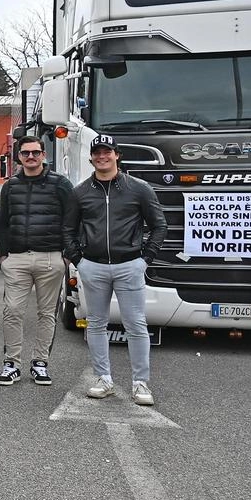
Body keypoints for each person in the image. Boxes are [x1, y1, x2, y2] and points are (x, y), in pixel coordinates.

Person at [64, 134, 166, 405]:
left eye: (107, 152)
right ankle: (103, 379)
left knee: (136, 324)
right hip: (93, 266)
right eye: (97, 152)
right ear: (91, 157)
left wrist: (145, 259)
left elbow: (159, 225)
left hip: (129, 265)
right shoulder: (80, 191)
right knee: (96, 324)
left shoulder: (139, 188)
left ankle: (140, 384)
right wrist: (78, 261)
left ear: (116, 155)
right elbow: (68, 229)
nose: (102, 157)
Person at [0, 136, 73, 386]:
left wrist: (66, 254)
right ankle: (12, 364)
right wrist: (3, 255)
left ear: (43, 155)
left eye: (35, 153)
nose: (31, 157)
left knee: (46, 314)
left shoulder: (60, 184)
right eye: (26, 153)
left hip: (50, 258)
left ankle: (40, 363)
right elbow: (3, 222)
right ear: (18, 156)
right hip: (17, 258)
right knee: (12, 311)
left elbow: (71, 220)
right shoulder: (10, 186)